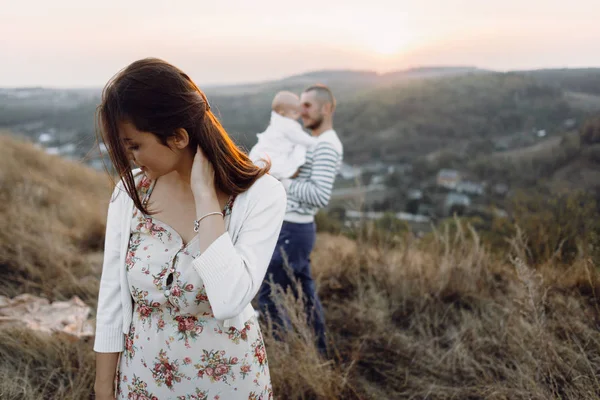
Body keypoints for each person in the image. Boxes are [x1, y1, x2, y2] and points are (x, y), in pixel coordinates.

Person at [93, 58, 286, 400]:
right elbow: (112, 300)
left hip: (228, 386)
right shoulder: (130, 193)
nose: (129, 157)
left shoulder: (261, 196)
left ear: (178, 137)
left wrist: (205, 197)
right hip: (142, 382)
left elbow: (229, 299)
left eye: (134, 145)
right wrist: (103, 388)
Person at [258, 84, 343, 355]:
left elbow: (319, 195)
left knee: (270, 293)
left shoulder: (326, 146)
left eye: (307, 105)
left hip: (293, 230)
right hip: (294, 228)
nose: (300, 111)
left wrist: (278, 180)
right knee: (303, 295)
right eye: (299, 104)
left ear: (326, 109)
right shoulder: (311, 143)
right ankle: (319, 351)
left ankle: (281, 355)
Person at [248, 91, 317, 180]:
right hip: (275, 154)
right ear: (282, 113)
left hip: (263, 150)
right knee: (300, 148)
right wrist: (316, 141)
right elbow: (303, 139)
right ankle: (290, 177)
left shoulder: (276, 120)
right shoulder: (287, 125)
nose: (298, 115)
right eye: (295, 113)